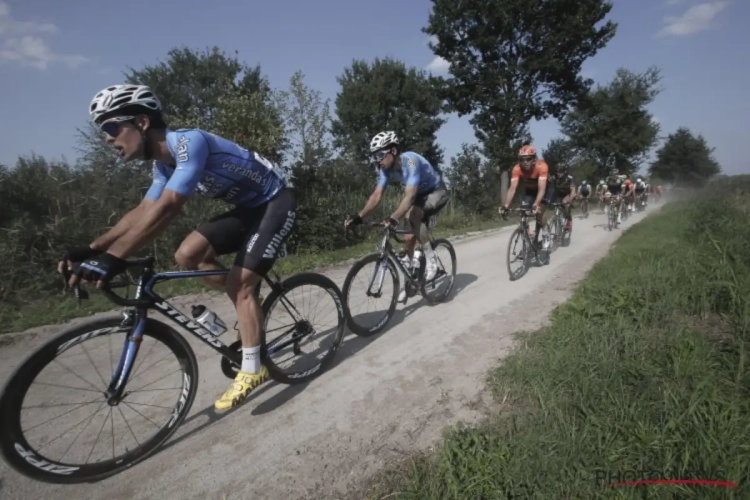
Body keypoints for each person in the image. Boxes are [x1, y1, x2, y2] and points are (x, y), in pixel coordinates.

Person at [58, 84, 297, 411]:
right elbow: (144, 211)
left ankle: (254, 367)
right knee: (187, 255)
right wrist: (92, 249)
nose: (107, 138)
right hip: (247, 210)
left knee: (239, 285)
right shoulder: (162, 165)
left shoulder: (188, 143)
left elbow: (169, 206)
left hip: (275, 203)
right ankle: (246, 298)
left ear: (142, 123)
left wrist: (115, 258)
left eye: (112, 127)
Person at [345, 131, 449, 303]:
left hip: (436, 191)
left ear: (393, 151)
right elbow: (377, 195)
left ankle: (433, 263)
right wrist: (358, 216)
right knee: (408, 237)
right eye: (374, 157)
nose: (377, 160)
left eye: (379, 155)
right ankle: (411, 280)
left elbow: (409, 197)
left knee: (413, 214)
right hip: (419, 197)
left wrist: (393, 217)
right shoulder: (385, 169)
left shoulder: (410, 160)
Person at [500, 145, 550, 248]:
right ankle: (529, 238)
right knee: (524, 211)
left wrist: (536, 204)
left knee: (539, 212)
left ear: (534, 159)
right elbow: (512, 188)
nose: (525, 162)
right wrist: (506, 205)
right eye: (522, 160)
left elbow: (541, 189)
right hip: (530, 190)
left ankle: (545, 232)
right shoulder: (517, 169)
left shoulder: (541, 166)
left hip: (543, 189)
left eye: (528, 159)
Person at [548, 163, 576, 230]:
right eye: (557, 171)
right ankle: (557, 219)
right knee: (551, 205)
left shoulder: (570, 178)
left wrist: (570, 200)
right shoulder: (554, 177)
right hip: (558, 194)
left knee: (565, 203)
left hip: (567, 193)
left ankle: (569, 221)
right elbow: (547, 183)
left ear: (565, 171)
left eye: (560, 171)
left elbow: (573, 190)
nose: (558, 173)